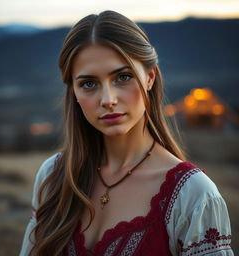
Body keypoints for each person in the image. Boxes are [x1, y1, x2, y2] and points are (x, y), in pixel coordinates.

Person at [19, 10, 234, 256]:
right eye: (88, 83)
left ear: (150, 77)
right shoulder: (52, 176)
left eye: (123, 77)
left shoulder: (193, 196)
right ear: (74, 92)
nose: (108, 100)